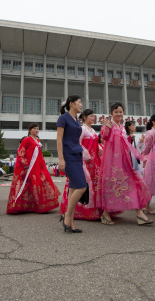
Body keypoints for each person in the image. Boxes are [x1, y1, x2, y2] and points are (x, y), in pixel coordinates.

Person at [99, 102, 152, 225]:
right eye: (116, 111)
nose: (118, 114)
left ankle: (140, 213)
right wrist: (108, 128)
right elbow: (105, 137)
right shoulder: (108, 125)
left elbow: (124, 143)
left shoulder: (122, 127)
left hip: (124, 162)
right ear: (111, 114)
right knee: (110, 186)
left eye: (120, 111)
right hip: (111, 163)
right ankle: (105, 214)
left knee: (133, 183)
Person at [7, 123, 60, 214]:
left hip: (37, 167)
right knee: (25, 186)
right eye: (34, 128)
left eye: (37, 128)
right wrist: (26, 165)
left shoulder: (37, 140)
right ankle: (22, 206)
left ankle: (38, 205)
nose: (36, 130)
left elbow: (39, 155)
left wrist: (42, 166)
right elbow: (20, 153)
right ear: (29, 130)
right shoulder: (26, 140)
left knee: (39, 183)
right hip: (28, 167)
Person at [60, 109, 104, 220]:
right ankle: (80, 211)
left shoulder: (93, 130)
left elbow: (95, 143)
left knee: (92, 184)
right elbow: (78, 143)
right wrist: (86, 155)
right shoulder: (82, 129)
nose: (93, 118)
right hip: (85, 161)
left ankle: (93, 210)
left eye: (94, 116)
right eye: (91, 116)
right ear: (84, 117)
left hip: (94, 162)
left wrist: (99, 148)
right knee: (81, 185)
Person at [57, 95, 87, 233]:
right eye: (79, 102)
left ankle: (71, 222)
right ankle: (67, 215)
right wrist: (61, 159)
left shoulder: (77, 120)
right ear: (71, 103)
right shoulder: (63, 118)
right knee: (82, 186)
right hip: (68, 156)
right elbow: (59, 139)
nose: (81, 105)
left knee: (73, 189)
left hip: (77, 155)